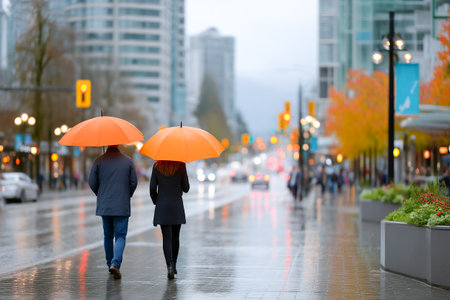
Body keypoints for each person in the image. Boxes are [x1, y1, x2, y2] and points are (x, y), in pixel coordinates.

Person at [89, 145, 138, 280]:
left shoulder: (99, 161)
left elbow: (92, 182)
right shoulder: (128, 161)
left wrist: (101, 194)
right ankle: (115, 264)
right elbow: (134, 182)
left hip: (105, 205)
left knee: (108, 236)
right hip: (121, 205)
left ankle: (109, 263)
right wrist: (127, 194)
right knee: (120, 236)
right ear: (118, 145)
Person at [150, 160, 190, 279]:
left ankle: (169, 267)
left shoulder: (157, 166)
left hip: (162, 205)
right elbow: (186, 188)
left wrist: (157, 201)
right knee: (175, 236)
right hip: (176, 205)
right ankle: (174, 264)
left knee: (166, 237)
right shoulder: (181, 165)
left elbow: (152, 188)